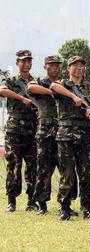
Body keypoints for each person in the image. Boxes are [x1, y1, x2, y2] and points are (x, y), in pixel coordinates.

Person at [50, 56, 90, 220]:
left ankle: (87, 208)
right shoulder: (64, 84)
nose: (79, 68)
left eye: (81, 66)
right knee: (68, 173)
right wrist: (73, 96)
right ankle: (64, 207)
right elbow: (53, 86)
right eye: (75, 65)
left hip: (85, 136)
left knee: (86, 173)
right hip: (66, 136)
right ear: (68, 68)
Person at [0, 50, 38, 212]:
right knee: (13, 165)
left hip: (33, 129)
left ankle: (31, 200)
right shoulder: (11, 81)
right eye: (24, 61)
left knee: (32, 166)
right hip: (14, 129)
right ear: (17, 63)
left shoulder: (35, 82)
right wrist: (22, 98)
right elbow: (2, 90)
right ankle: (12, 201)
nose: (27, 63)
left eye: (29, 60)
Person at [26, 55, 62, 214]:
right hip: (45, 131)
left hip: (63, 131)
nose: (55, 67)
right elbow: (30, 88)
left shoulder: (65, 84)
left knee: (65, 169)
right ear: (45, 66)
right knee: (43, 168)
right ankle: (42, 204)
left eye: (57, 65)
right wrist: (51, 91)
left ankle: (64, 203)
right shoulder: (40, 81)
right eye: (51, 65)